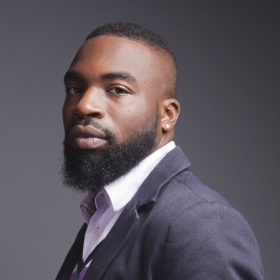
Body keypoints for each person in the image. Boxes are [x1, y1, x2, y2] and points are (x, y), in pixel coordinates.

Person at [56, 22, 264, 280]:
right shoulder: (104, 214)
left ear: (167, 115)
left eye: (117, 90)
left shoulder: (201, 224)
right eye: (75, 89)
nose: (84, 105)